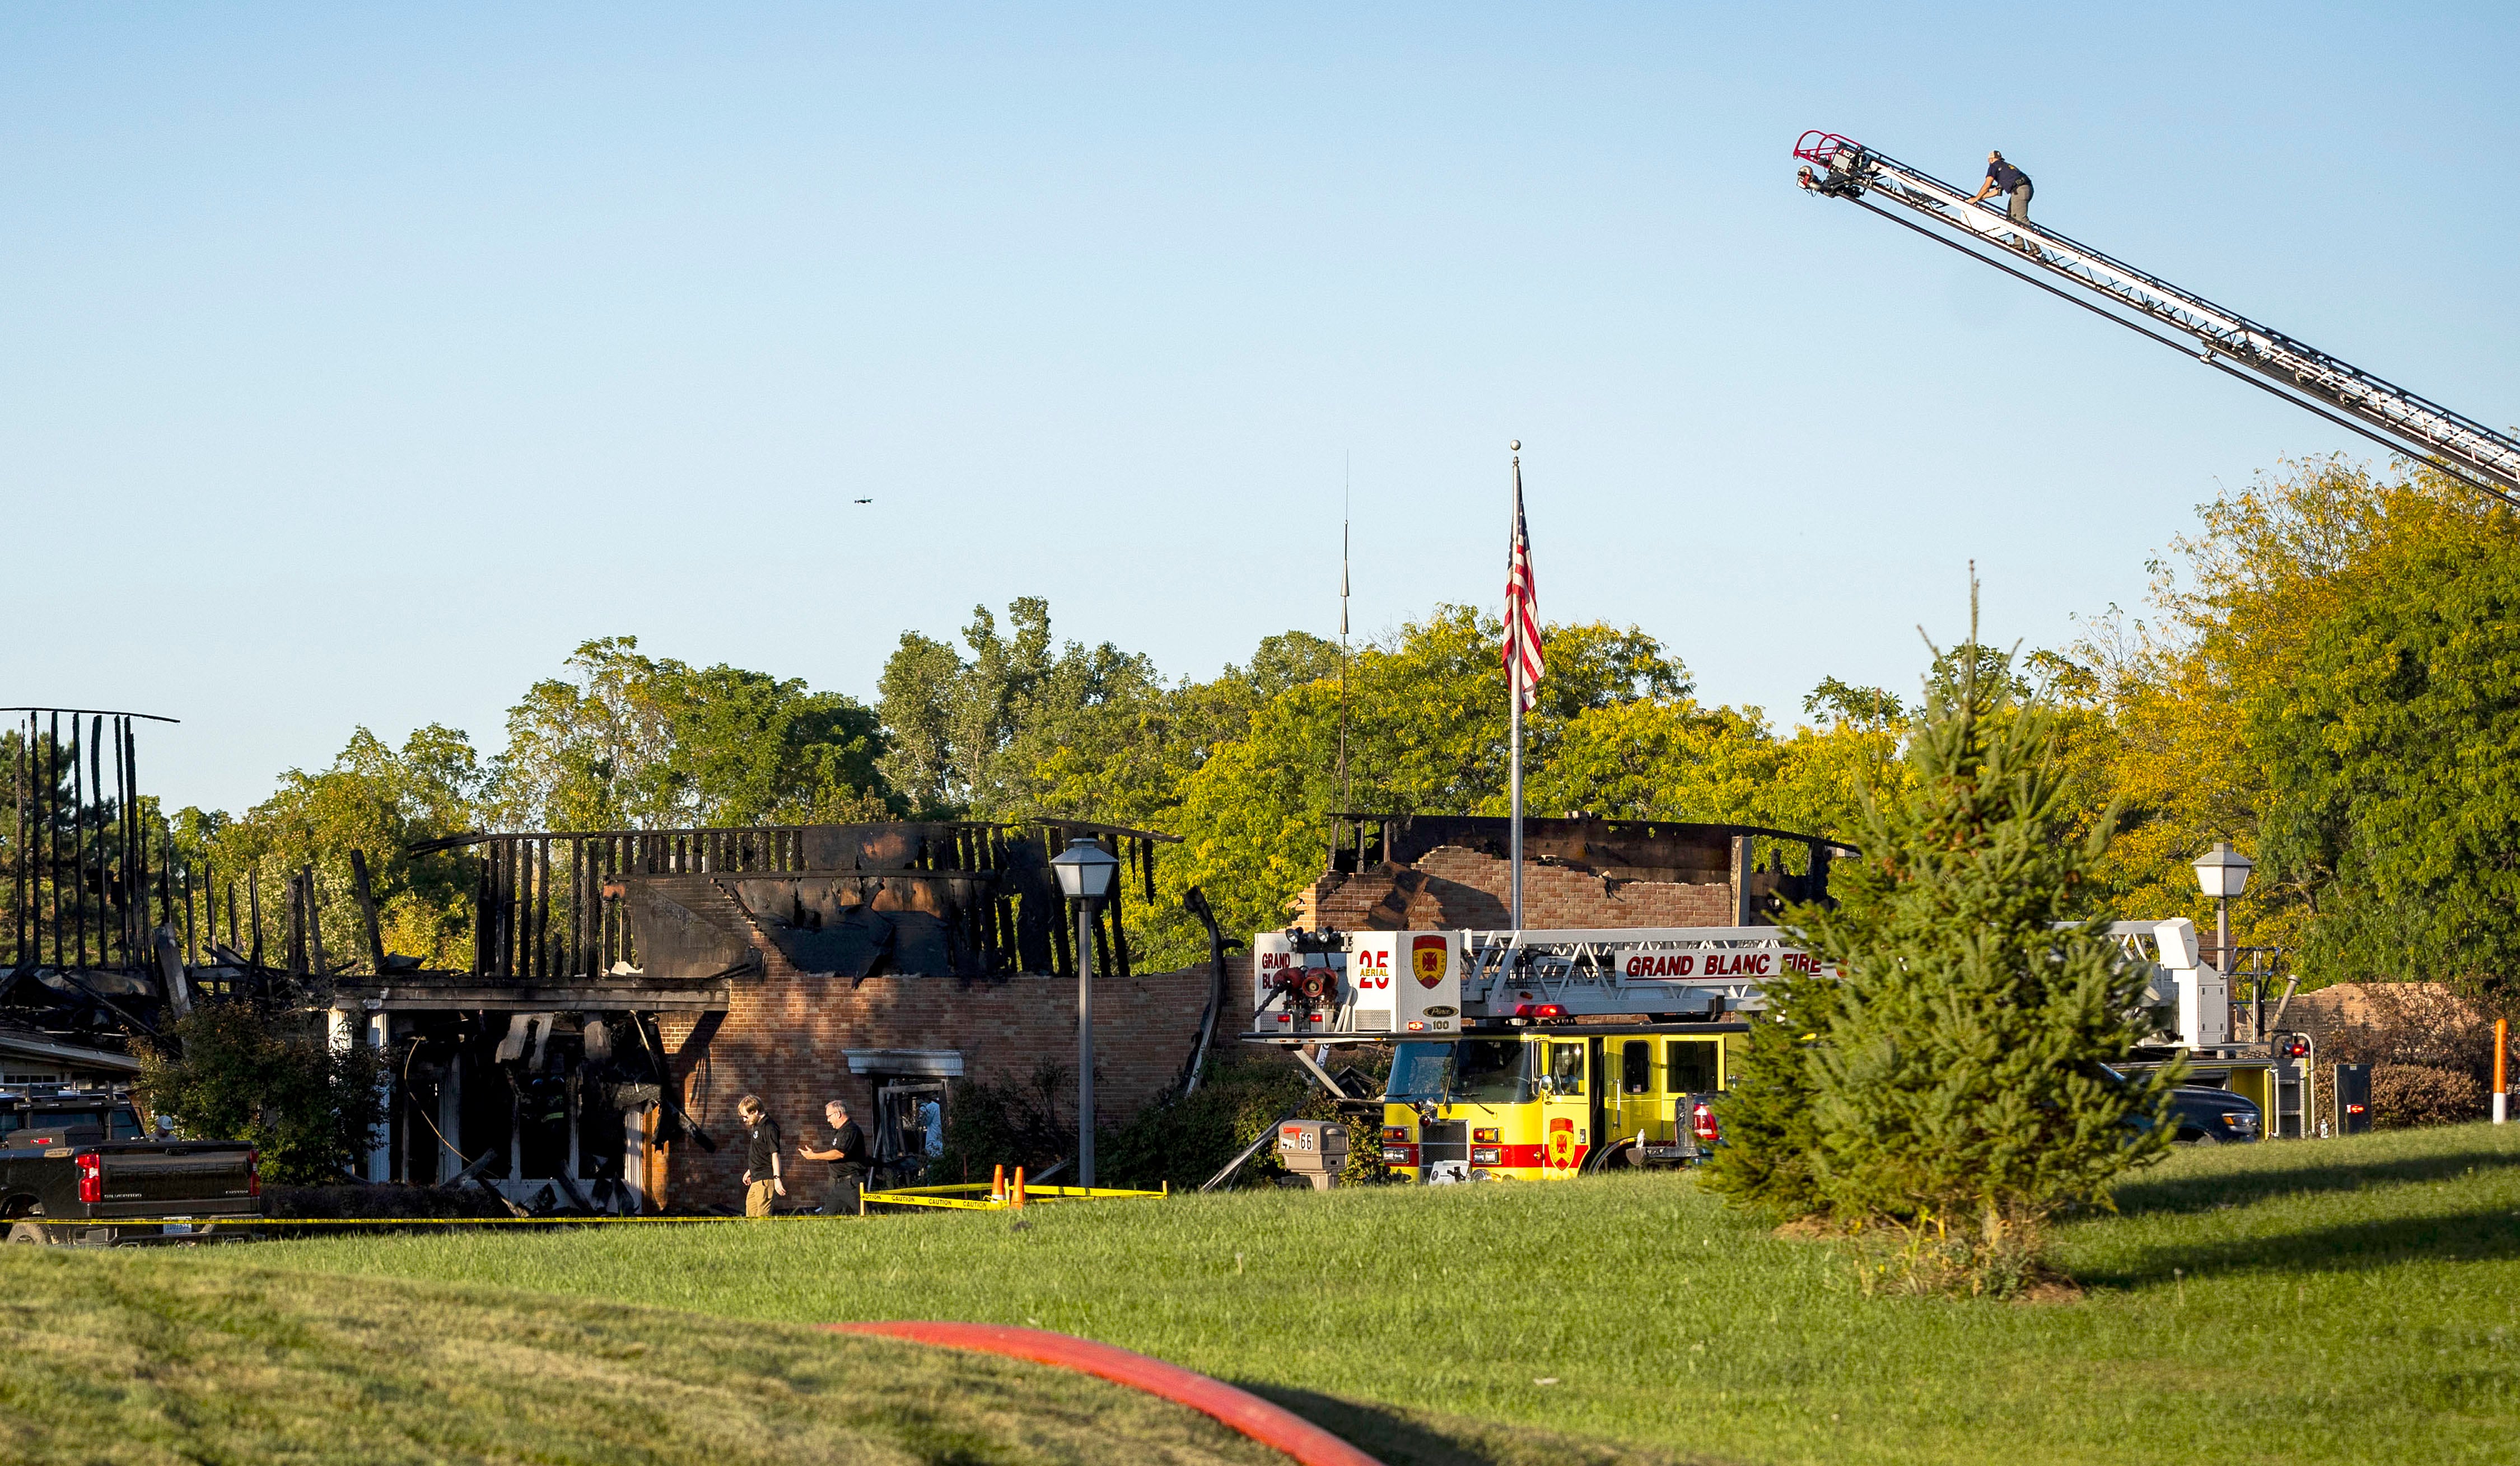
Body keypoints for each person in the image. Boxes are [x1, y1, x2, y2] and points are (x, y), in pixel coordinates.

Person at [796, 1100, 867, 1215]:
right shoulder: (841, 1132)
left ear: (838, 1114)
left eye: (829, 1116)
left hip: (852, 1184)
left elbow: (839, 1153)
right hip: (840, 1185)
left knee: (865, 1215)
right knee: (827, 1216)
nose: (828, 1120)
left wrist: (814, 1156)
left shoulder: (850, 1130)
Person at [736, 1095, 785, 1217]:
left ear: (755, 1112)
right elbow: (760, 1152)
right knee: (751, 1215)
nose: (744, 1120)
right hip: (756, 1178)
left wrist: (777, 1178)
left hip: (766, 1179)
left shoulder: (770, 1127)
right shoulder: (757, 1126)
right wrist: (750, 1171)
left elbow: (775, 1154)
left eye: (746, 1116)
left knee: (762, 1218)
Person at [1970, 150, 2033, 225]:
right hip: (2025, 189)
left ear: (1991, 159)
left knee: (2019, 220)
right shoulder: (2005, 168)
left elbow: (1987, 185)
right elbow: (1997, 191)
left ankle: (2037, 236)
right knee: (2011, 219)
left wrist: (1975, 199)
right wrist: (1983, 197)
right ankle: (2019, 237)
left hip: (2019, 191)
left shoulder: (1994, 166)